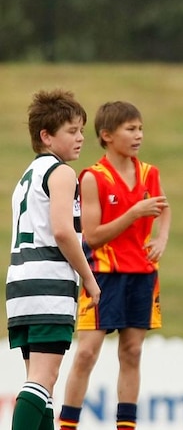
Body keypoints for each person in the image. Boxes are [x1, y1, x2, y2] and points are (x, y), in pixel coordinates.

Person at [59, 101, 171, 430]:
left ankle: (126, 426)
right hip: (103, 274)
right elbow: (91, 237)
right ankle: (67, 425)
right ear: (107, 135)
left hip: (142, 274)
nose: (138, 136)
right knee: (87, 353)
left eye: (140, 129)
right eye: (130, 129)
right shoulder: (93, 178)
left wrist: (162, 238)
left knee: (132, 352)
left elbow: (164, 207)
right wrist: (134, 213)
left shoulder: (150, 173)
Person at [6, 89, 102, 430]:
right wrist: (89, 277)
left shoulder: (26, 176)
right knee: (43, 378)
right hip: (48, 281)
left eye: (81, 130)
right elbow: (63, 232)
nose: (80, 139)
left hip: (21, 282)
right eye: (71, 131)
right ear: (46, 136)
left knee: (42, 381)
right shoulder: (61, 173)